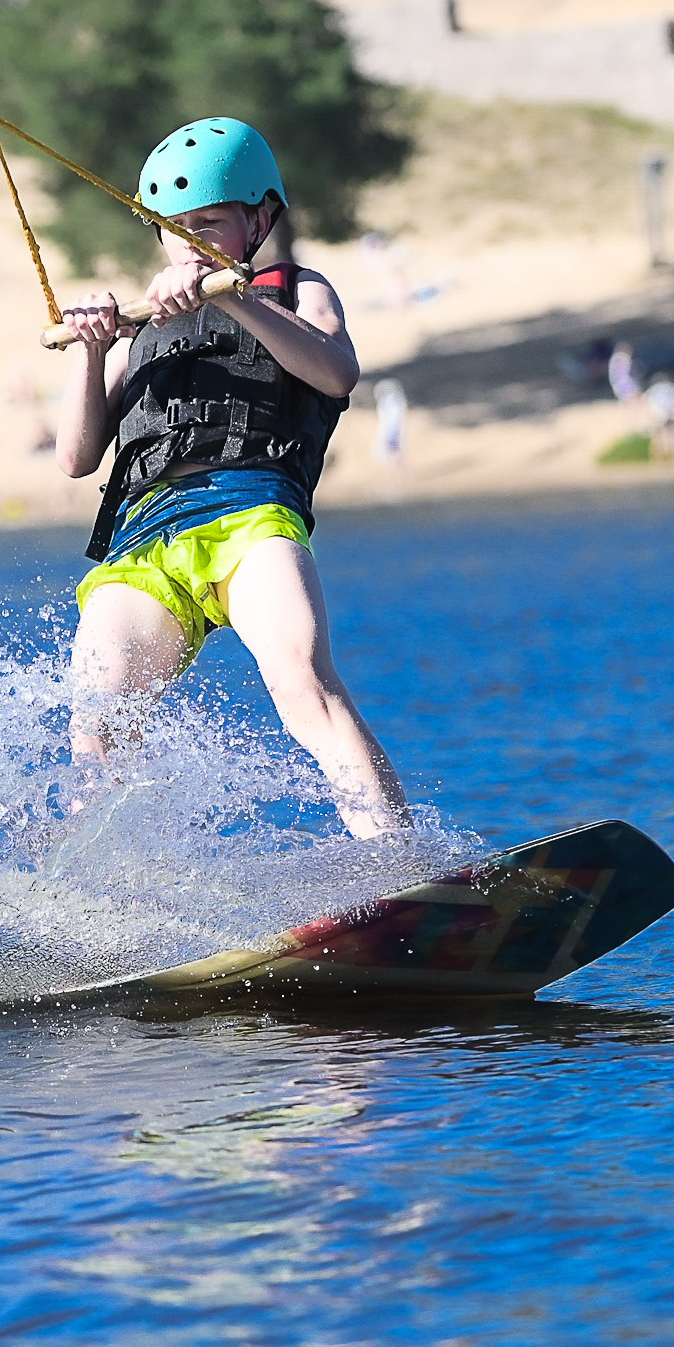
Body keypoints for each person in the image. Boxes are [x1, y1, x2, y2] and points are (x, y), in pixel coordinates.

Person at [54, 117, 408, 839]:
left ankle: (400, 863)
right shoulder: (141, 326)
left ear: (260, 218)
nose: (189, 241)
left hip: (250, 516)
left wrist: (231, 296)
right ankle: (95, 906)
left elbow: (337, 372)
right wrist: (90, 351)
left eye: (209, 223)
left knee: (302, 679)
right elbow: (75, 457)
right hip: (145, 540)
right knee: (97, 720)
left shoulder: (296, 291)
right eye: (173, 226)